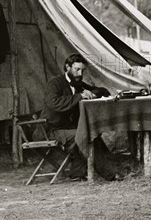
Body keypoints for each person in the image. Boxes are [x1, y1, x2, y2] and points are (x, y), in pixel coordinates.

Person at [37, 53, 117, 181]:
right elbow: (54, 103)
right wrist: (80, 96)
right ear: (67, 67)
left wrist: (91, 93)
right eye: (77, 69)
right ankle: (111, 174)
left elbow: (101, 90)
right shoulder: (55, 82)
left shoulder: (77, 83)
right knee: (85, 135)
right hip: (51, 129)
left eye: (82, 70)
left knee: (92, 133)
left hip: (66, 128)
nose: (80, 74)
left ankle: (77, 172)